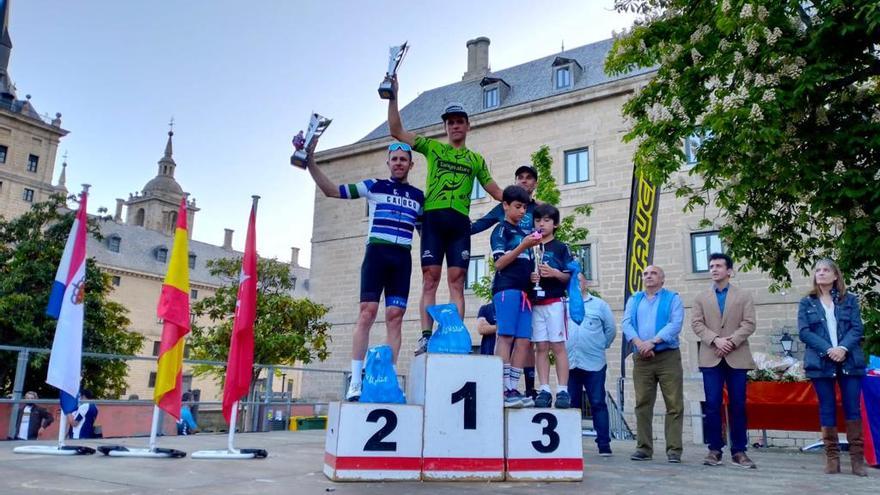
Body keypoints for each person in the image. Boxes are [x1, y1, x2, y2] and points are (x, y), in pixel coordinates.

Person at [386, 76, 503, 354]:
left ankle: (454, 337)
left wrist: (525, 202)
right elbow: (396, 130)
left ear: (467, 125)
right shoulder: (432, 147)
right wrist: (393, 96)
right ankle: (426, 335)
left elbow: (495, 190)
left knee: (457, 282)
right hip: (434, 220)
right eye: (450, 122)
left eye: (459, 121)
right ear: (445, 126)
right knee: (430, 279)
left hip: (460, 223)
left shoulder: (476, 160)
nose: (455, 126)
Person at [305, 136, 425, 401]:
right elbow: (332, 191)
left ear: (411, 164)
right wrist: (311, 162)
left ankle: (390, 379)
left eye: (403, 160)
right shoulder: (374, 186)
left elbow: (425, 232)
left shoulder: (418, 197)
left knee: (395, 316)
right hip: (377, 254)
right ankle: (356, 381)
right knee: (366, 313)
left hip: (402, 258)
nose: (398, 163)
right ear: (388, 163)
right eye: (394, 159)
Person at [798, 258, 868, 477]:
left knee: (852, 408)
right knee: (826, 407)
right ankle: (832, 459)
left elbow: (857, 329)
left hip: (849, 361)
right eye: (817, 270)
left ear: (835, 275)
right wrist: (829, 349)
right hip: (821, 362)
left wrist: (843, 348)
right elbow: (804, 331)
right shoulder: (807, 302)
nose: (821, 273)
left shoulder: (850, 300)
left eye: (826, 270)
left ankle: (857, 460)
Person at [691, 253, 757, 469]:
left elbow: (749, 323)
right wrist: (715, 340)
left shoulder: (743, 295)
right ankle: (714, 450)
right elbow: (697, 324)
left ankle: (739, 451)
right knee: (712, 405)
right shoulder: (701, 297)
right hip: (711, 356)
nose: (714, 269)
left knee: (738, 404)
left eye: (719, 266)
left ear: (729, 270)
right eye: (711, 266)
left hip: (736, 356)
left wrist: (731, 342)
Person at [622, 265, 685, 463]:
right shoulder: (634, 299)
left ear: (662, 279)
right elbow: (626, 324)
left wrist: (653, 341)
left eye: (653, 273)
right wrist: (640, 343)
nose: (648, 276)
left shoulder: (673, 298)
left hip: (667, 356)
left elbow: (675, 324)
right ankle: (643, 448)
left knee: (674, 404)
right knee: (642, 403)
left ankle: (674, 450)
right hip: (641, 358)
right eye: (645, 274)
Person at [490, 185, 540, 408]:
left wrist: (533, 276)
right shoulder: (502, 230)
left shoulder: (524, 234)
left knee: (523, 341)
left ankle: (513, 387)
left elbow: (524, 262)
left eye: (525, 208)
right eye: (518, 207)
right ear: (505, 206)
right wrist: (523, 246)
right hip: (506, 288)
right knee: (506, 337)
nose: (522, 212)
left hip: (525, 293)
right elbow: (500, 263)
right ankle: (499, 388)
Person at [566, 273, 616, 456]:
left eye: (579, 280)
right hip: (570, 363)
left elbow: (610, 330)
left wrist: (599, 346)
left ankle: (604, 445)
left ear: (586, 282)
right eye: (572, 280)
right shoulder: (564, 305)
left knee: (597, 402)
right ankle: (570, 446)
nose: (577, 283)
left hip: (594, 363)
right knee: (571, 405)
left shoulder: (600, 305)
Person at [529, 203, 573, 409]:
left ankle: (563, 389)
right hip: (536, 303)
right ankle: (544, 388)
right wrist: (533, 277)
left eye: (546, 220)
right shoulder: (530, 246)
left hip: (556, 302)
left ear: (555, 224)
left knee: (557, 346)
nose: (542, 224)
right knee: (541, 347)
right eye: (538, 220)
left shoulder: (561, 247)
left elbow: (568, 277)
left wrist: (553, 272)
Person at [477, 300, 537, 398]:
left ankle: (528, 389)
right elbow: (481, 328)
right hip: (489, 358)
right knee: (489, 391)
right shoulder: (486, 309)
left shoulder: (516, 307)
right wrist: (504, 327)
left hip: (510, 359)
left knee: (528, 344)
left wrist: (502, 327)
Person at [471, 165, 538, 234]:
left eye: (529, 177)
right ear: (515, 182)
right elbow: (476, 227)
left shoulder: (540, 210)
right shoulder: (504, 207)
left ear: (536, 184)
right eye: (520, 177)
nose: (524, 181)